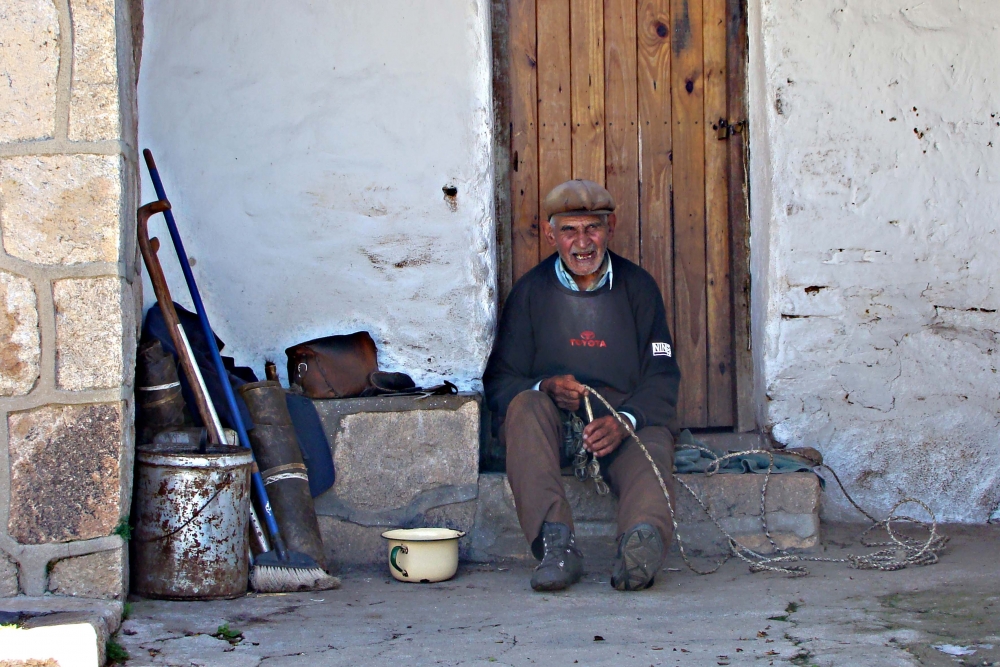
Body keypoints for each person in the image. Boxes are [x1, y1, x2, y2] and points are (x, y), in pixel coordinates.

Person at [484, 179, 681, 592]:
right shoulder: (530, 293)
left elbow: (662, 377)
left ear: (610, 228)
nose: (582, 242)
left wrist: (626, 419)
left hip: (617, 424)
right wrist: (545, 386)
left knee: (655, 441)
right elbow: (499, 382)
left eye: (592, 228)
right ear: (549, 232)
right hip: (554, 427)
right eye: (570, 230)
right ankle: (556, 546)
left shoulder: (638, 288)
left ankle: (639, 545)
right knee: (524, 407)